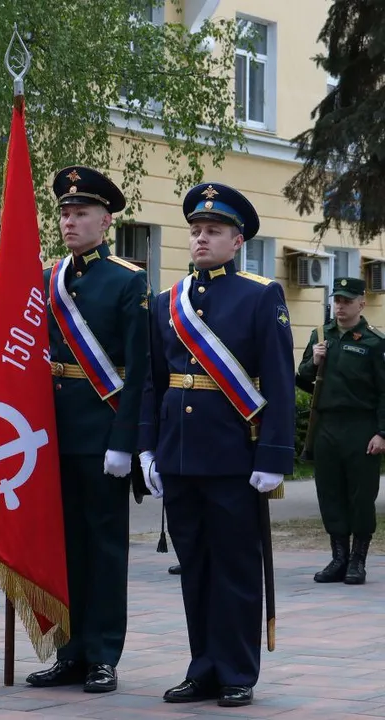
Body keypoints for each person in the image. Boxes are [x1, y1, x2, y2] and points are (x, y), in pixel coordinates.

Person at [139, 183, 295, 708]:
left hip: (233, 455)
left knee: (234, 567)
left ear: (237, 239)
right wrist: (148, 449)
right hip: (180, 455)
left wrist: (273, 457)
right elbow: (153, 383)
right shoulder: (167, 303)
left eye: (213, 231)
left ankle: (236, 670)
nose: (201, 239)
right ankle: (201, 665)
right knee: (196, 566)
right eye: (196, 230)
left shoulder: (260, 294)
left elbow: (277, 380)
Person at [24, 167, 148, 694]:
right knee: (63, 546)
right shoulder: (49, 277)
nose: (69, 222)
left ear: (106, 220)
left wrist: (125, 441)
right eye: (65, 213)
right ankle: (67, 651)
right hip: (51, 435)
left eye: (81, 213)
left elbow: (139, 368)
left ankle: (102, 653)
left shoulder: (127, 279)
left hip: (100, 433)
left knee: (103, 548)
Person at [297, 277, 385, 585]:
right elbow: (303, 379)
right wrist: (314, 361)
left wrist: (382, 433)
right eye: (337, 300)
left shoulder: (375, 342)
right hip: (327, 426)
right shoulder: (321, 335)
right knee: (330, 492)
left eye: (347, 300)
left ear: (362, 302)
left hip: (361, 428)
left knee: (361, 496)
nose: (340, 306)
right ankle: (338, 558)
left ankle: (358, 560)